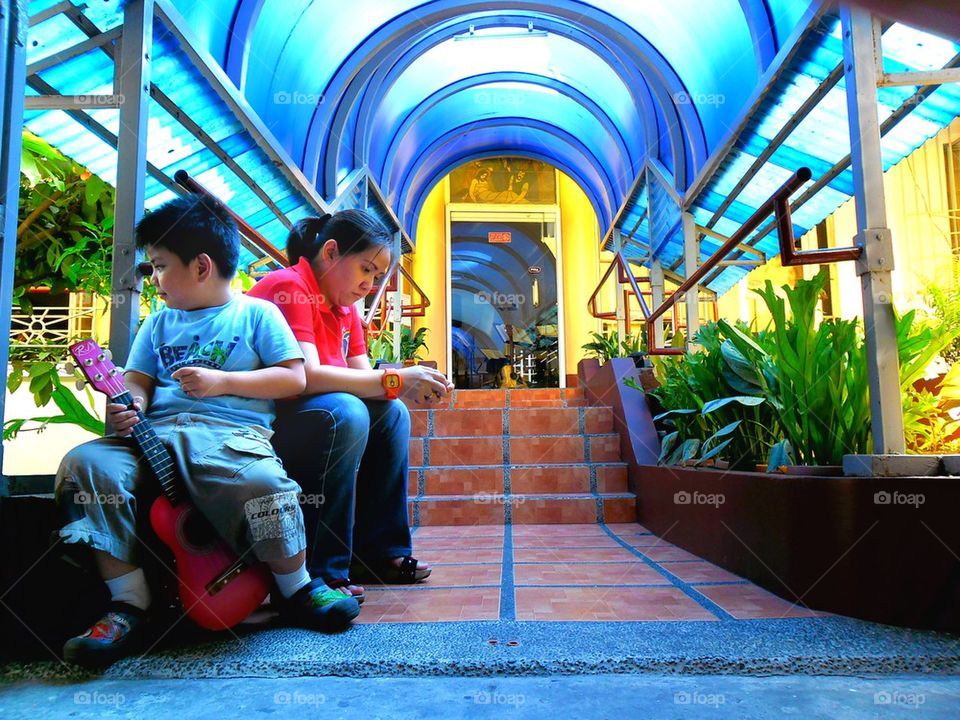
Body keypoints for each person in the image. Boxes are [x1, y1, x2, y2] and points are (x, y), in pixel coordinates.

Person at [54, 196, 360, 668]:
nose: (153, 280)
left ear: (201, 266)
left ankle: (295, 586)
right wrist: (128, 405)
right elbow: (135, 381)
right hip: (154, 436)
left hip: (228, 437)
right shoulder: (156, 325)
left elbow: (292, 377)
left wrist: (223, 383)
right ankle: (128, 604)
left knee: (263, 485)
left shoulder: (256, 315)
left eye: (159, 267)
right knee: (86, 464)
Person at [247, 210, 454, 599]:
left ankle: (379, 553)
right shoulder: (291, 287)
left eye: (377, 276)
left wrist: (404, 389)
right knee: (347, 411)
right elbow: (306, 376)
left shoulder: (346, 310)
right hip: (260, 422)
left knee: (392, 414)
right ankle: (320, 569)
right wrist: (393, 379)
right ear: (331, 252)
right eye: (365, 269)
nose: (369, 284)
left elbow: (367, 383)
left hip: (308, 419)